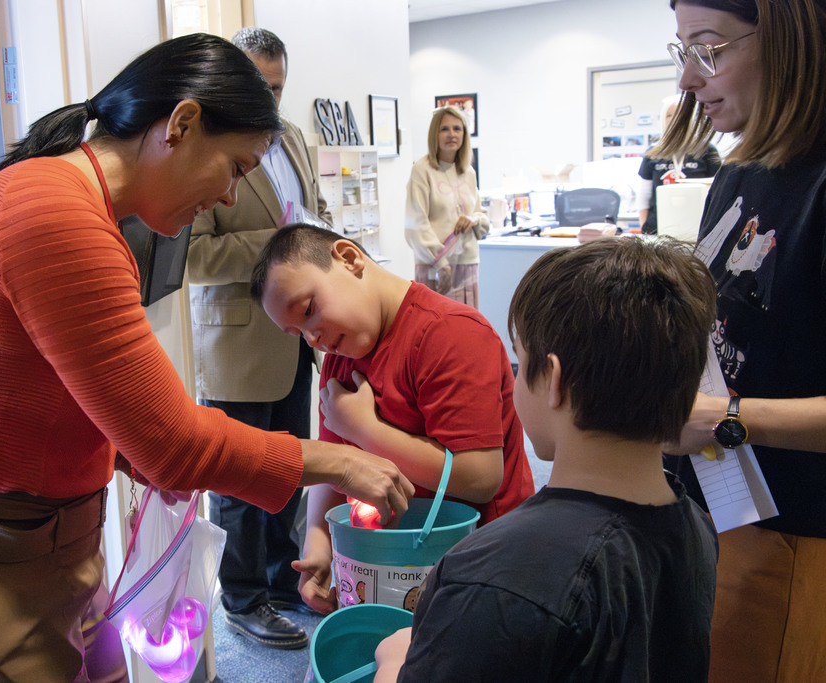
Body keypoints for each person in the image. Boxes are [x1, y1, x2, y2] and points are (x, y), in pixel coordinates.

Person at [0, 33, 414, 682]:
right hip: (10, 549)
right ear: (180, 124)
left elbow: (70, 390)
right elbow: (172, 442)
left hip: (48, 537)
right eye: (235, 167)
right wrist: (340, 461)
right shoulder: (56, 217)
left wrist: (128, 447)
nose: (231, 196)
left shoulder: (70, 204)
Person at [373, 236, 721, 682]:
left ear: (554, 380)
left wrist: (395, 660)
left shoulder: (489, 575)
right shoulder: (697, 527)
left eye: (519, 363)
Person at [654, 1, 826, 680]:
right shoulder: (740, 169)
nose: (689, 82)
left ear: (793, 38)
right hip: (711, 511)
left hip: (792, 531)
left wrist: (722, 420)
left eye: (710, 49)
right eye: (682, 52)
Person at [251, 224, 534, 615]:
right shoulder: (340, 357)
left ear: (349, 259)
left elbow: (481, 477)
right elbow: (331, 463)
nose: (311, 338)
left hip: (482, 562)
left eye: (309, 310)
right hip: (394, 563)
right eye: (296, 333)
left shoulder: (451, 334)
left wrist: (364, 430)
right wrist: (318, 545)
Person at [185, 27, 332, 650]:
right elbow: (193, 255)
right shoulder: (205, 147)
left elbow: (311, 205)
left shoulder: (293, 136)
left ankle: (281, 583)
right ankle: (243, 600)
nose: (268, 103)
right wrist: (279, 249)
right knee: (241, 484)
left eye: (277, 89)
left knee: (290, 468)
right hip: (238, 347)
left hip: (295, 336)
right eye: (257, 86)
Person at [405, 106, 489, 308]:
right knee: (436, 328)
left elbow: (483, 220)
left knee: (467, 328)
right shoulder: (422, 170)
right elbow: (415, 224)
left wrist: (474, 219)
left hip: (467, 264)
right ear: (435, 133)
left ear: (464, 134)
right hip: (435, 267)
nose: (452, 134)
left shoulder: (468, 172)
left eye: (457, 129)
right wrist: (440, 263)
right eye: (444, 129)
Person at [637, 93, 722, 234]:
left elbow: (719, 190)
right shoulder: (653, 152)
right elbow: (644, 194)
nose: (674, 119)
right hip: (657, 227)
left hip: (697, 224)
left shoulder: (706, 150)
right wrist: (643, 224)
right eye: (669, 115)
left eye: (679, 114)